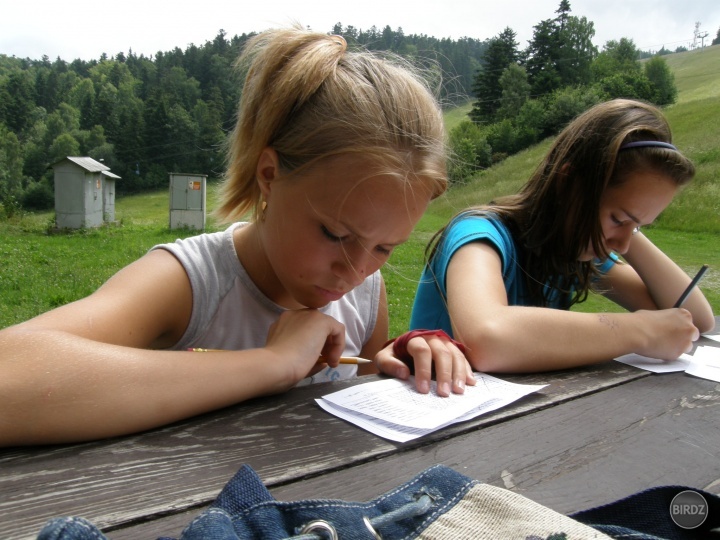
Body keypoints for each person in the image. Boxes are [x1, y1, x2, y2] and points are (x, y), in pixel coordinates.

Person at [0, 27, 474, 447]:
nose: (355, 271)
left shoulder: (366, 294)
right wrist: (273, 364)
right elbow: (10, 370)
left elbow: (359, 416)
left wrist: (400, 365)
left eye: (384, 248)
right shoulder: (189, 283)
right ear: (269, 175)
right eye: (334, 234)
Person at [410, 98, 715, 373]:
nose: (622, 245)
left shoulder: (571, 250)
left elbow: (695, 320)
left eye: (638, 228)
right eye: (617, 219)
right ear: (569, 185)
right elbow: (487, 337)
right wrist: (640, 330)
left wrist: (630, 226)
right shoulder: (479, 235)